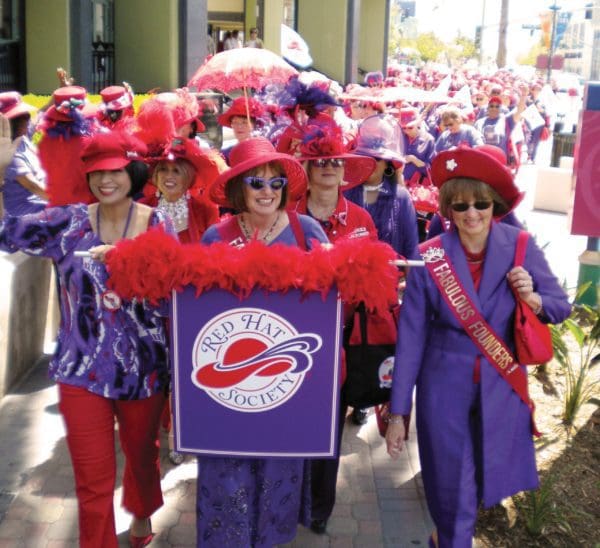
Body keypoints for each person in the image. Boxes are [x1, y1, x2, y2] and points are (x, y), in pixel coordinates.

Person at [385, 146, 571, 548]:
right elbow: (412, 337)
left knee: (485, 480)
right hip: (443, 387)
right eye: (460, 205)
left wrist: (533, 297)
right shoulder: (428, 256)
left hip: (501, 387)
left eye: (481, 203)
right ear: (447, 210)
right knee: (453, 489)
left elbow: (560, 307)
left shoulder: (520, 246)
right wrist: (399, 412)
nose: (472, 214)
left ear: (495, 205)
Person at [0, 130, 176, 548]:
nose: (105, 179)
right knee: (92, 481)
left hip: (144, 372)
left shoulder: (157, 224)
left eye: (114, 170)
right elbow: (8, 231)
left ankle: (141, 513)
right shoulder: (68, 222)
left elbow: (172, 295)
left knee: (142, 459)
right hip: (80, 371)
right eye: (96, 172)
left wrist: (129, 259)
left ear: (130, 172)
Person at [198, 136, 329, 546]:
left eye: (276, 183)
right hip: (229, 392)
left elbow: (330, 305)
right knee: (226, 483)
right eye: (257, 182)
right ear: (239, 188)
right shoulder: (214, 238)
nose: (268, 191)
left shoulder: (307, 231)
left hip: (285, 389)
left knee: (278, 480)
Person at [290, 117, 377, 535]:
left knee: (328, 428)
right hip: (291, 337)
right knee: (289, 421)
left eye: (336, 161)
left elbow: (376, 281)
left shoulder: (362, 218)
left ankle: (319, 508)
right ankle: (287, 499)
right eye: (320, 160)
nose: (328, 167)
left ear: (345, 171)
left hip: (343, 338)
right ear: (306, 168)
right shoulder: (285, 218)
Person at [141, 137, 221, 244]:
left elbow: (215, 252)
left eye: (176, 171)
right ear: (156, 175)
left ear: (188, 177)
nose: (169, 176)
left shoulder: (206, 211)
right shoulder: (142, 208)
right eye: (163, 169)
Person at [0, 92, 48, 215]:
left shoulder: (21, 137)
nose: (28, 118)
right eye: (23, 117)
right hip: (23, 217)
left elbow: (40, 115)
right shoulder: (9, 155)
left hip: (40, 200)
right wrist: (66, 201)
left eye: (26, 115)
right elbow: (34, 186)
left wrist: (61, 91)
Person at [217, 96, 265, 163]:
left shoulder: (262, 151)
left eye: (244, 122)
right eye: (235, 122)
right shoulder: (225, 154)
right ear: (231, 125)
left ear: (254, 125)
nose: (239, 126)